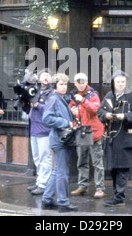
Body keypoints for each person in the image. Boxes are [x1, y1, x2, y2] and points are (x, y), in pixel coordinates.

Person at [98, 70, 132, 207]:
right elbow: (99, 111)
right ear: (113, 82)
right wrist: (105, 115)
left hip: (126, 138)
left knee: (123, 168)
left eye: (123, 82)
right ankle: (117, 195)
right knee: (113, 168)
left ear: (126, 83)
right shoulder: (109, 95)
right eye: (118, 81)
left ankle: (119, 197)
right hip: (112, 139)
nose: (120, 84)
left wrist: (124, 116)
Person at [41, 73, 78, 213]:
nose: (64, 87)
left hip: (62, 139)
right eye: (61, 84)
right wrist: (66, 122)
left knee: (57, 171)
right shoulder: (53, 99)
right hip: (59, 140)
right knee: (62, 172)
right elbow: (47, 118)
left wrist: (71, 114)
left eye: (65, 84)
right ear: (55, 86)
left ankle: (47, 199)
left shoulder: (61, 99)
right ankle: (63, 202)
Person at [69, 73, 106, 199]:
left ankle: (100, 188)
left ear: (86, 82)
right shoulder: (73, 96)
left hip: (94, 133)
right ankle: (82, 186)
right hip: (81, 132)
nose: (81, 84)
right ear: (75, 83)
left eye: (83, 82)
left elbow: (95, 110)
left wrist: (83, 101)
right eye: (78, 82)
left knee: (97, 162)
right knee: (82, 161)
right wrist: (72, 113)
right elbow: (72, 113)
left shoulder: (93, 95)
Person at [27, 69, 54, 196]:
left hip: (44, 130)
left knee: (45, 158)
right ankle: (39, 181)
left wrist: (37, 105)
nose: (46, 78)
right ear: (38, 78)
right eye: (43, 75)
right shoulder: (34, 91)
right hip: (34, 129)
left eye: (48, 76)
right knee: (37, 158)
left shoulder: (52, 93)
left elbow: (50, 109)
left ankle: (44, 184)